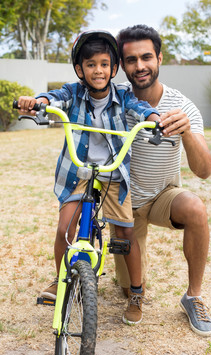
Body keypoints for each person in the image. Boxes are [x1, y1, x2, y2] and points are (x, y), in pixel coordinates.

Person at [17, 30, 160, 324]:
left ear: (114, 68)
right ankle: (61, 281)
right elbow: (54, 97)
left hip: (113, 172)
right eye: (91, 64)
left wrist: (154, 120)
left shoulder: (122, 95)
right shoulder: (73, 92)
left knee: (125, 234)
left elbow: (141, 107)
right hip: (79, 171)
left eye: (105, 64)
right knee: (64, 231)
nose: (98, 70)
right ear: (80, 69)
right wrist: (37, 102)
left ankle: (136, 292)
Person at [111, 24, 211, 336]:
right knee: (126, 287)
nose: (140, 66)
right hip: (124, 202)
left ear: (159, 58)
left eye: (146, 57)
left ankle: (193, 295)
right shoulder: (116, 102)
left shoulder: (182, 106)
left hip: (162, 197)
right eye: (131, 60)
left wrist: (185, 133)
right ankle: (130, 284)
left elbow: (205, 170)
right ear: (122, 65)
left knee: (195, 208)